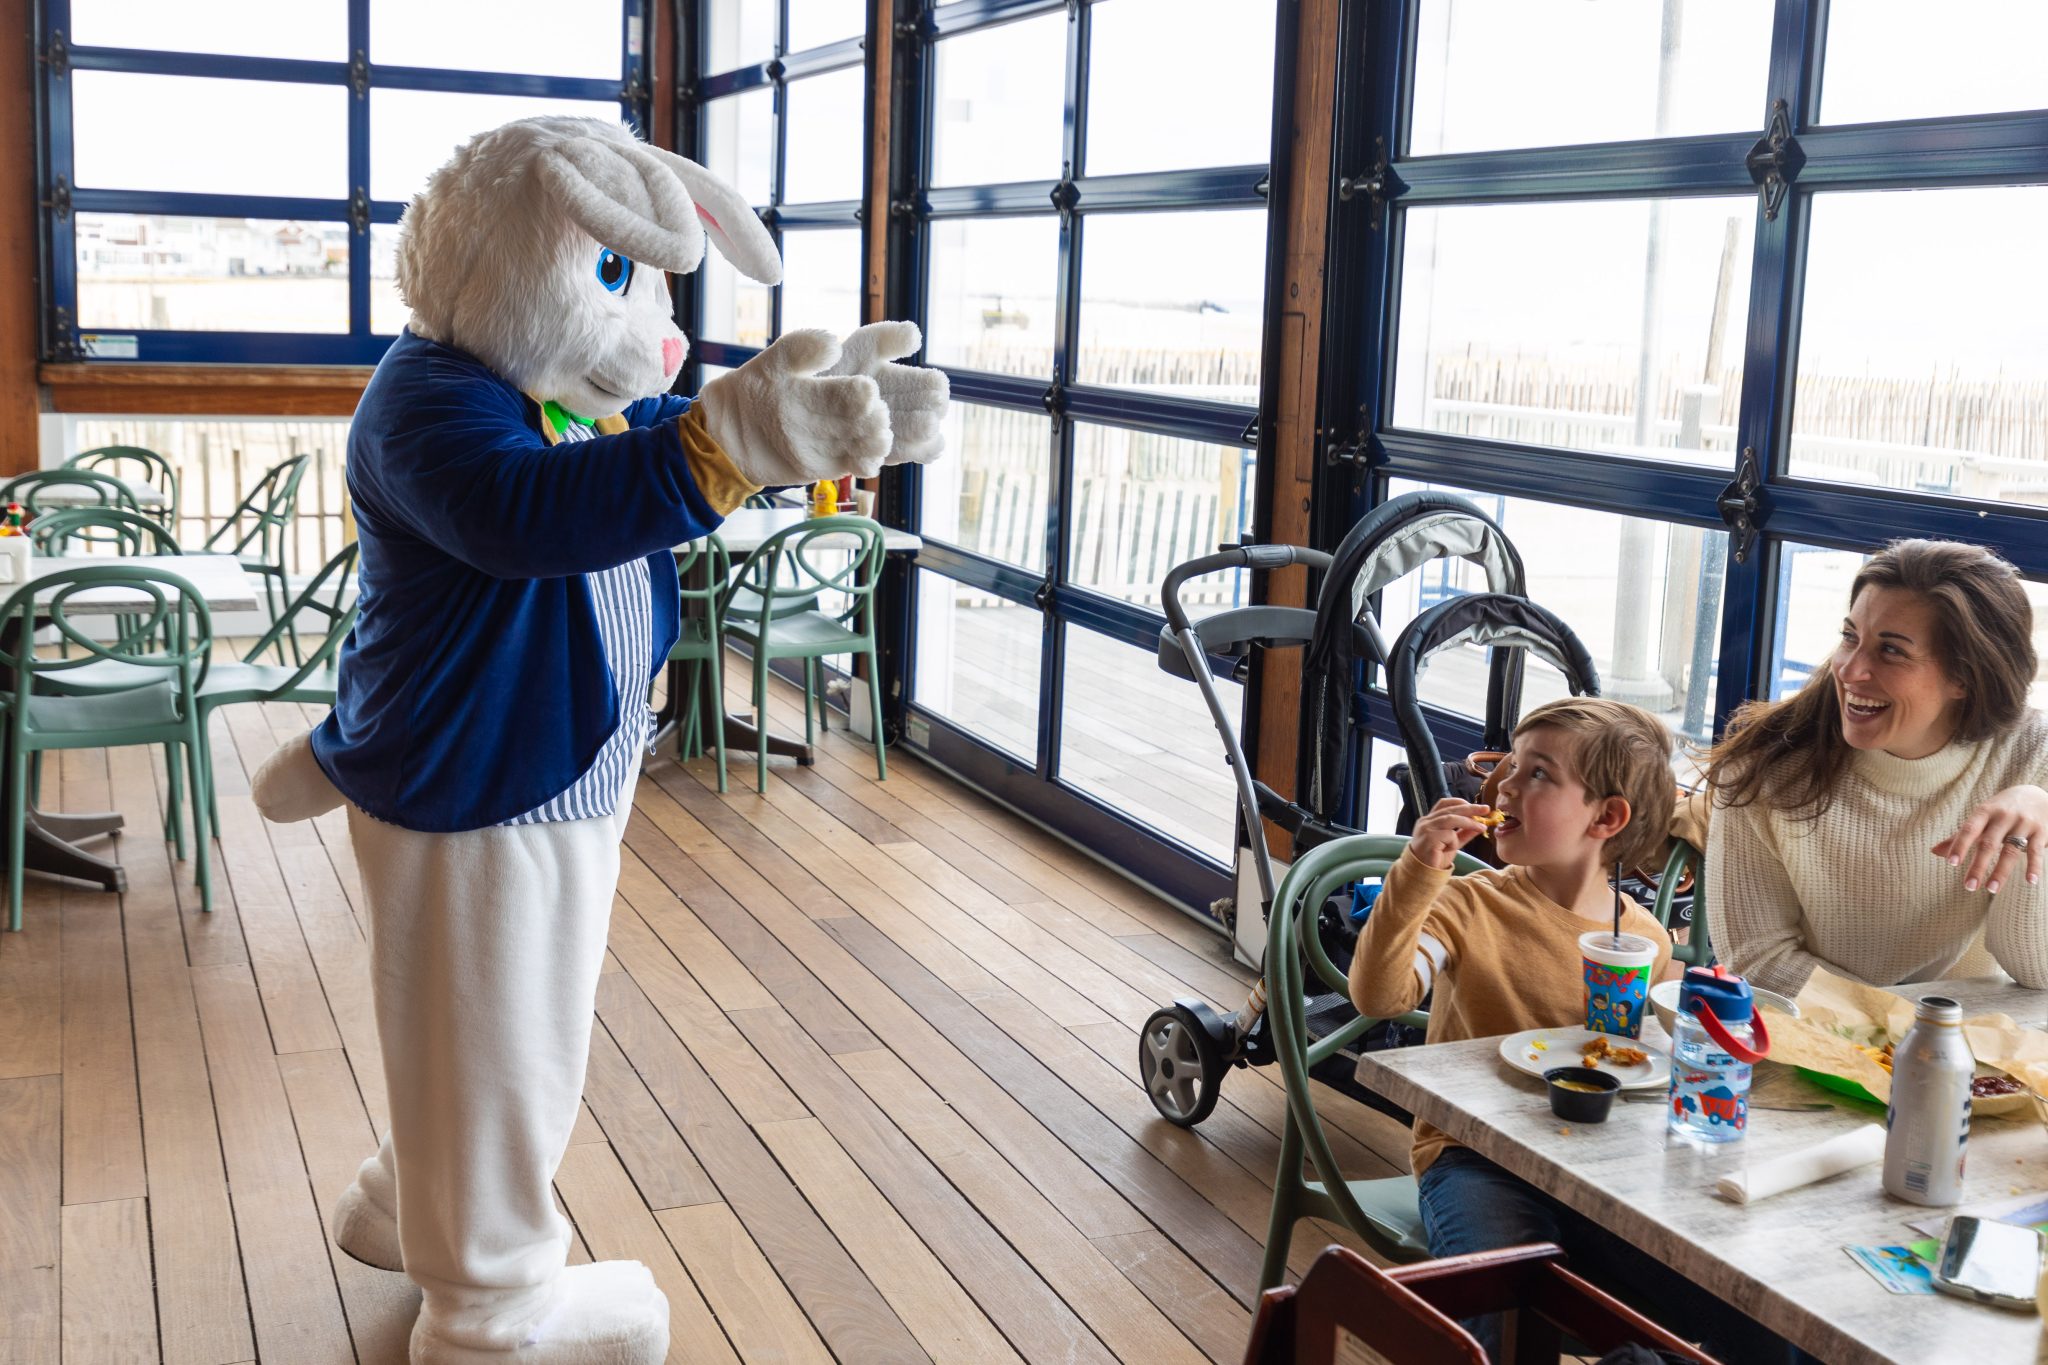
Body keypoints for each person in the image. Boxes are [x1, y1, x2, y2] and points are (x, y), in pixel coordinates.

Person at [1349, 697, 1678, 1358]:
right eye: (1507, 767)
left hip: (1593, 1163)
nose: (1500, 787)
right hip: (1475, 1155)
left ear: (1608, 817)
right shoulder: (1470, 905)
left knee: (1717, 1309)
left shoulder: (1644, 940)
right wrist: (1418, 871)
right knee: (1501, 1306)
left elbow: (1637, 1061)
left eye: (1538, 774)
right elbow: (1381, 994)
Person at [1705, 539, 2048, 998]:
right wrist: (1906, 1029)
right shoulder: (1763, 768)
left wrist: (2035, 830)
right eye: (1850, 637)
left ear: (1964, 677)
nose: (1849, 670)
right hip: (1815, 1042)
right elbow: (1758, 960)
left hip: (1975, 1045)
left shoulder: (2031, 752)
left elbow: (2035, 972)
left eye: (1891, 651)